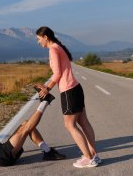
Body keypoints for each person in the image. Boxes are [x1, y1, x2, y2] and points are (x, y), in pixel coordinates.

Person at [35, 26, 101, 168]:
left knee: (70, 125)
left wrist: (47, 88)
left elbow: (58, 73)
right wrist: (47, 85)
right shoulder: (58, 47)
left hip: (68, 91)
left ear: (45, 37)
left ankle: (89, 158)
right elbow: (61, 71)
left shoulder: (53, 49)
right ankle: (93, 155)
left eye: (38, 39)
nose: (38, 42)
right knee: (84, 122)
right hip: (75, 88)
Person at [0, 98, 65, 176]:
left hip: (3, 151)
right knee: (27, 127)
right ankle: (45, 102)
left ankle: (47, 151)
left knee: (26, 123)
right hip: (1, 157)